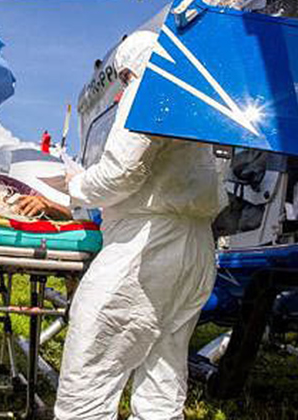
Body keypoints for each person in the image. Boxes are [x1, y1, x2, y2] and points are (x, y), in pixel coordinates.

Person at [53, 31, 225, 420]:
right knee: (162, 373)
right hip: (197, 246)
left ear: (128, 69)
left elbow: (121, 173)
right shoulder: (201, 102)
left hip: (146, 246)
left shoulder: (149, 84)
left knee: (90, 371)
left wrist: (75, 186)